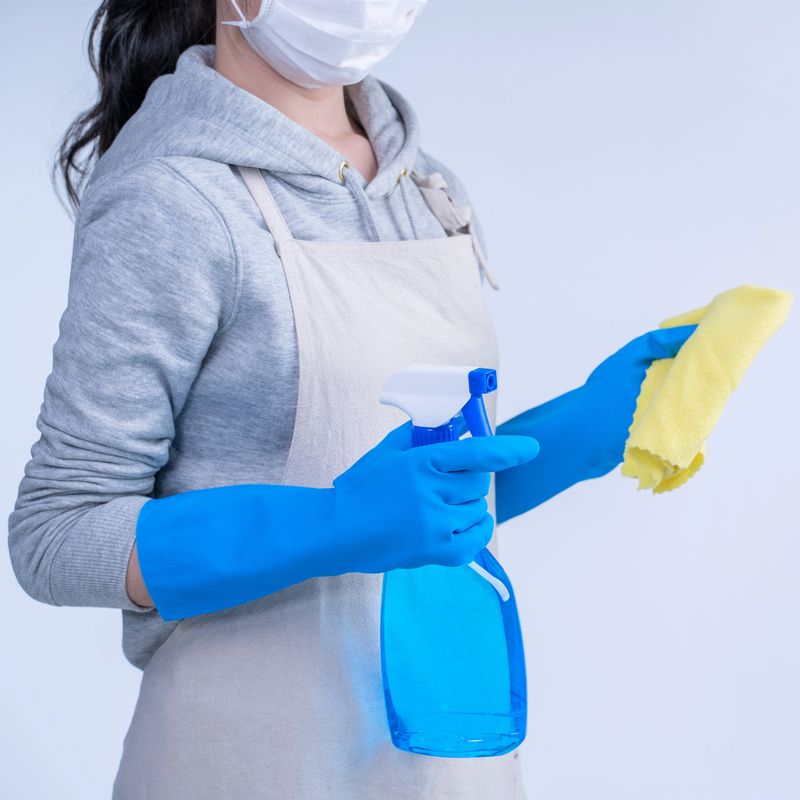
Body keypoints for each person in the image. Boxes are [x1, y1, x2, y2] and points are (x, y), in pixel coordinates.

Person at [7, 1, 694, 798]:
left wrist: (574, 438)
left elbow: (424, 504)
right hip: (249, 760)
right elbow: (57, 533)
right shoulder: (175, 197)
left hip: (444, 760)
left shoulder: (426, 187)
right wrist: (331, 522)